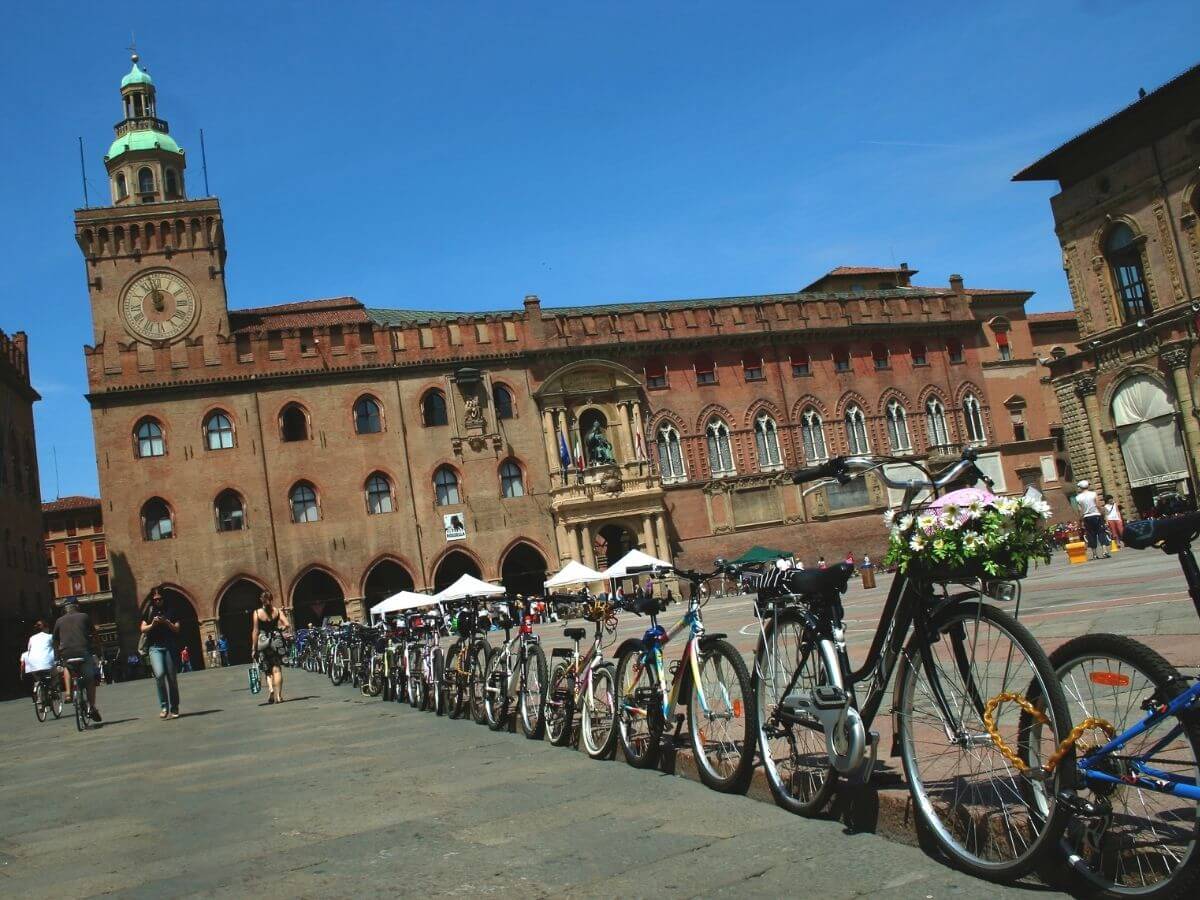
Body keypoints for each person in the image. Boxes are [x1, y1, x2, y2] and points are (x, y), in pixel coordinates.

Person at [53, 599, 102, 722]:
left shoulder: (59, 621)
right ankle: (92, 707)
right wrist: (98, 648)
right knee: (90, 680)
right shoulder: (84, 616)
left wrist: (58, 653)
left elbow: (55, 640)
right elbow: (94, 634)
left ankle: (68, 693)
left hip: (66, 652)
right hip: (83, 651)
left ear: (65, 609)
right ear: (77, 607)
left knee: (67, 666)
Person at [141, 588, 181, 719]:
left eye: (160, 599)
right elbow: (142, 628)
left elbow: (177, 628)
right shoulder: (149, 611)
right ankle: (164, 706)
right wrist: (152, 624)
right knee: (159, 675)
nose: (157, 601)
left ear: (164, 599)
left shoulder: (172, 611)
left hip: (169, 646)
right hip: (154, 648)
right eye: (155, 599)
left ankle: (174, 707)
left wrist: (166, 622)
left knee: (172, 679)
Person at [250, 590, 291, 704]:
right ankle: (278, 696)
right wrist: (280, 629)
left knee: (267, 670)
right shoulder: (277, 611)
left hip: (263, 641)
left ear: (261, 600)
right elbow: (287, 624)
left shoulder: (257, 613)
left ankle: (271, 690)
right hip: (276, 640)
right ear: (271, 599)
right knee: (277, 669)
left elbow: (255, 631)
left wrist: (253, 648)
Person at [1073, 480, 1110, 560]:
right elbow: (1097, 504)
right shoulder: (1093, 494)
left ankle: (1094, 554)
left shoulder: (1078, 497)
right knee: (1101, 532)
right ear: (1088, 486)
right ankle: (1104, 551)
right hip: (1096, 515)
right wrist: (1102, 512)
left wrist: (1081, 520)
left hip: (1087, 517)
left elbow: (1080, 510)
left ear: (1080, 488)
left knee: (1090, 534)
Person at [23, 620, 56, 699]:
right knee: (55, 675)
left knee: (39, 679)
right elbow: (56, 648)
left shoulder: (31, 638)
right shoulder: (50, 636)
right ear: (46, 628)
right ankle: (53, 690)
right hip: (47, 663)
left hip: (32, 664)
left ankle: (40, 698)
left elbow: (29, 650)